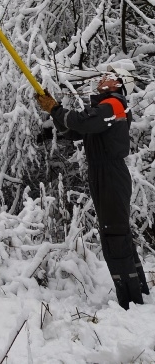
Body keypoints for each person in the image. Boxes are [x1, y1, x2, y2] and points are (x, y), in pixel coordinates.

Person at [37, 73, 148, 310]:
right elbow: (74, 131)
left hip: (110, 174)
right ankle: (139, 292)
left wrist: (56, 108)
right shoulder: (104, 111)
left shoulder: (114, 104)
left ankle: (131, 301)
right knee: (117, 234)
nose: (101, 81)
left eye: (108, 77)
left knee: (115, 235)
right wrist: (54, 111)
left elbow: (83, 122)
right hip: (103, 173)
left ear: (118, 83)